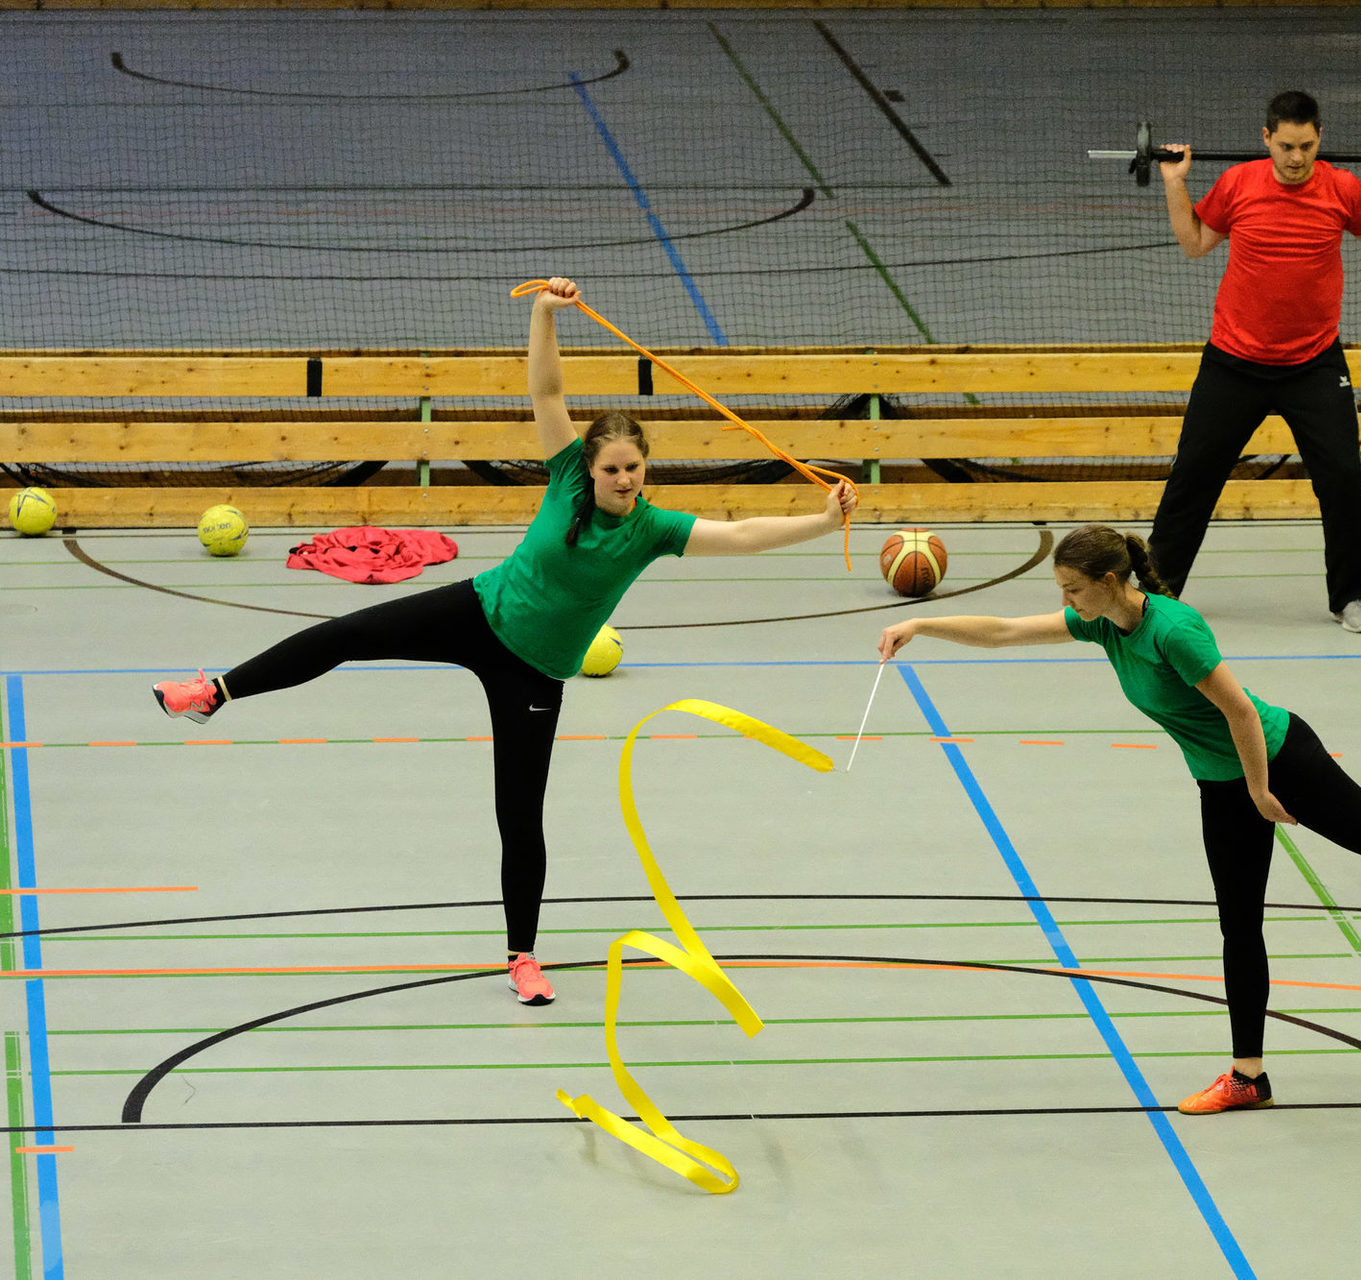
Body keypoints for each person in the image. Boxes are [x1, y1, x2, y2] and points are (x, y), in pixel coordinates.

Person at [151, 277, 859, 1005]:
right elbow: (547, 393)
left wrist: (822, 522)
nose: (622, 479)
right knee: (345, 635)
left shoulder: (654, 529)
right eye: (612, 468)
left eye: (633, 468)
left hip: (535, 674)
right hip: (478, 610)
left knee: (519, 817)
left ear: (645, 469)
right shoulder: (566, 476)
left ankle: (522, 958)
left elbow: (741, 535)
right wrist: (545, 313)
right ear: (590, 467)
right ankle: (215, 692)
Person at [878, 523, 1361, 1116]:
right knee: (1239, 925)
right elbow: (1004, 631)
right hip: (1224, 781)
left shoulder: (1172, 631)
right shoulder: (1104, 624)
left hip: (1279, 758)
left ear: (1112, 580)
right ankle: (1249, 1078)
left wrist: (1261, 789)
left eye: (1072, 589)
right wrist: (920, 624)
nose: (1065, 602)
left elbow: (1240, 711)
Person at [1148, 90, 1361, 634]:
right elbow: (1195, 243)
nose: (1297, 158)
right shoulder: (1238, 183)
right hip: (1233, 360)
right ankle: (1156, 590)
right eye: (1287, 146)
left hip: (1313, 363)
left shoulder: (1342, 187)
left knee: (1343, 479)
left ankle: (1351, 596)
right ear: (1266, 138)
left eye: (1307, 146)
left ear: (1320, 139)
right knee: (1193, 475)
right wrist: (1175, 183)